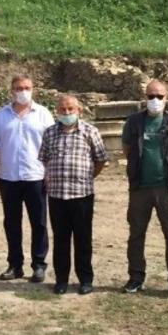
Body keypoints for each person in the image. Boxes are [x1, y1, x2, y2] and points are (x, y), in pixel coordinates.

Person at [121, 79, 168, 298]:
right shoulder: (133, 122)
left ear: (167, 97)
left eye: (159, 96)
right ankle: (135, 278)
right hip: (140, 188)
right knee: (136, 234)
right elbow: (127, 150)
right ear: (145, 97)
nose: (155, 100)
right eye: (150, 96)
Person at [0, 74, 55, 282]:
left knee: (39, 223)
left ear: (33, 89)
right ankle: (15, 265)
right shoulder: (2, 115)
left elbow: (52, 145)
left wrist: (50, 172)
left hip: (36, 176)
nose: (22, 91)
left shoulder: (43, 114)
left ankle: (39, 265)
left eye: (26, 87)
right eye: (18, 88)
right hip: (9, 177)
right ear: (11, 90)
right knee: (12, 223)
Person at [39, 95, 108, 295]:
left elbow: (101, 159)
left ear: (79, 110)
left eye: (70, 109)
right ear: (57, 111)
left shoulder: (90, 131)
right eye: (62, 110)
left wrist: (88, 176)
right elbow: (44, 158)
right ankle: (61, 280)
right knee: (60, 239)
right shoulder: (50, 133)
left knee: (83, 239)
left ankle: (85, 279)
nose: (67, 113)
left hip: (82, 195)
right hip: (57, 195)